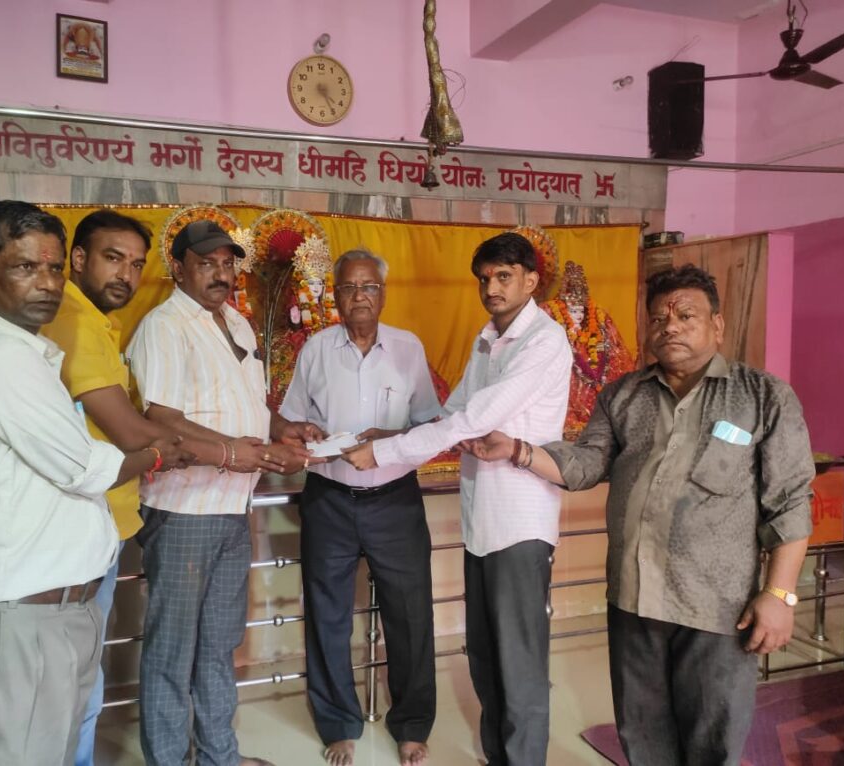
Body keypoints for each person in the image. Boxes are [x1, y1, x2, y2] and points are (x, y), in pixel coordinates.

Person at [468, 264, 815, 766]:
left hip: (716, 610)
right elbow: (585, 465)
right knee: (643, 737)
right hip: (633, 602)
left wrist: (780, 595)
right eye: (658, 318)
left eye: (685, 315)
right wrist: (518, 450)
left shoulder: (761, 397)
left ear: (717, 325)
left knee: (711, 743)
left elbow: (791, 502)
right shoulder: (623, 395)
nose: (669, 326)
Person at [0, 200, 184, 766]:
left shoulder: (31, 354)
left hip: (52, 612)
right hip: (18, 619)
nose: (47, 283)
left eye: (51, 268)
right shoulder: (0, 359)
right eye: (26, 267)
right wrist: (155, 455)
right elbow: (83, 467)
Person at [343, 232, 572, 766]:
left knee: (519, 663)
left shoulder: (545, 341)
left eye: (504, 277)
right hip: (481, 522)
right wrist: (392, 435)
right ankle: (498, 756)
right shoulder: (487, 338)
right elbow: (454, 414)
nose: (492, 288)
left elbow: (475, 418)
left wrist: (384, 454)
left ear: (531, 280)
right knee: (485, 655)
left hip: (521, 523)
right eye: (485, 279)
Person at [127, 219, 321, 766]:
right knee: (172, 652)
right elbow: (161, 420)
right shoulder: (164, 326)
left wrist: (282, 427)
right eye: (206, 263)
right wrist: (240, 451)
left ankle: (219, 757)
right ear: (179, 268)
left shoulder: (237, 322)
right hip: (184, 508)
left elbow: (248, 405)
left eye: (227, 264)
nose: (220, 274)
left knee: (218, 645)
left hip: (234, 507)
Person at [41, 210, 212, 766]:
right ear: (78, 259)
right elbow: (131, 431)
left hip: (99, 523)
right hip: (78, 527)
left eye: (136, 265)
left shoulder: (95, 321)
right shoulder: (75, 320)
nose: (126, 275)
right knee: (74, 680)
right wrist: (226, 453)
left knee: (81, 673)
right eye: (113, 258)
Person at [279, 249, 440, 766]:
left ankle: (411, 724)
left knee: (410, 614)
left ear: (383, 293)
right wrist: (304, 433)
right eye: (349, 288)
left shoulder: (408, 348)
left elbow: (430, 425)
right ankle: (338, 723)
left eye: (369, 286)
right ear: (336, 296)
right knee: (327, 614)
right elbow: (290, 420)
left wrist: (387, 438)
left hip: (395, 499)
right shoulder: (316, 350)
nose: (360, 296)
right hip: (329, 498)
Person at [540, 260, 634, 440]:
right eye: (573, 311)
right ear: (564, 310)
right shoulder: (552, 321)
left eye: (581, 312)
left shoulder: (595, 324)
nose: (578, 316)